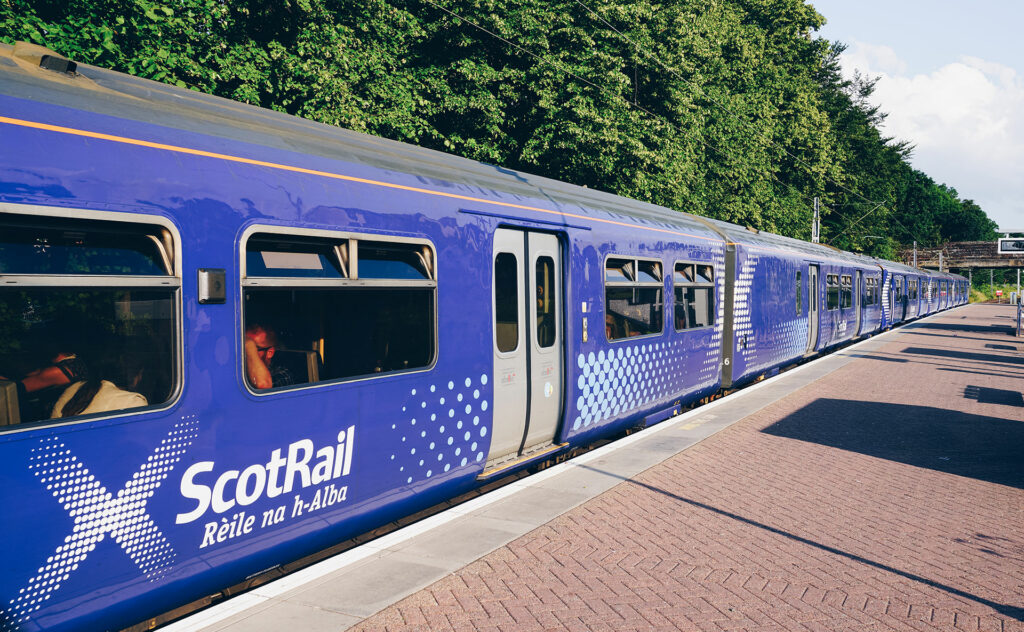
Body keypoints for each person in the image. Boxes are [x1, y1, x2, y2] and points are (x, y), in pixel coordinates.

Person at [244, 323, 295, 389]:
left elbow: (263, 385)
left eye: (254, 348)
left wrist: (249, 345)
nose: (245, 353)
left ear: (270, 353)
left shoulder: (282, 375)